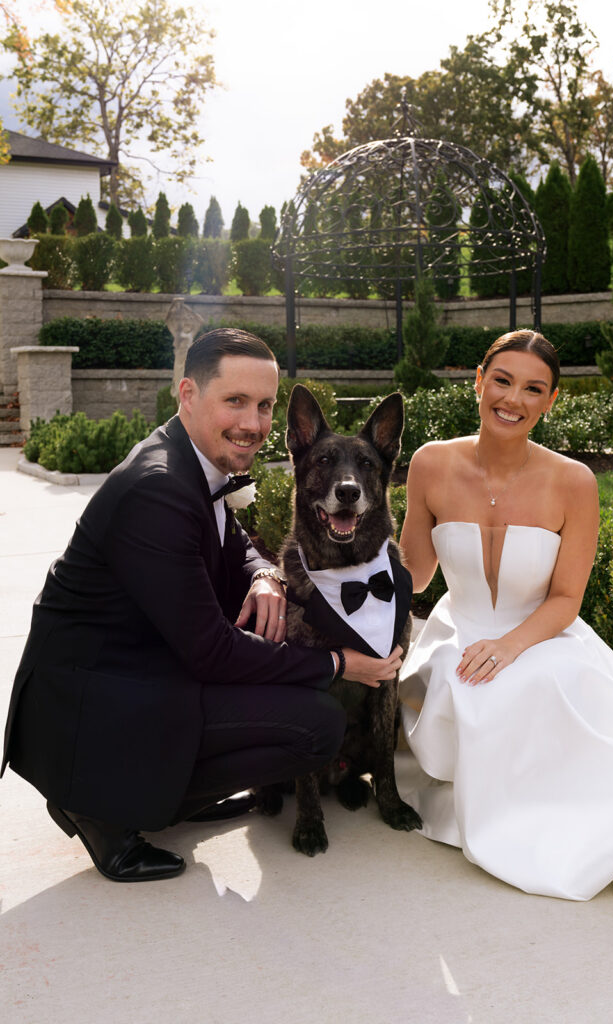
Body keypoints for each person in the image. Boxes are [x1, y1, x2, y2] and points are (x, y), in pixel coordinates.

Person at [2, 328, 403, 883]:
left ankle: (172, 784)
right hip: (92, 709)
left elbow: (228, 535)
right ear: (188, 394)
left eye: (263, 406)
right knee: (315, 727)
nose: (253, 423)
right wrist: (338, 665)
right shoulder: (158, 488)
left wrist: (263, 573)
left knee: (285, 692)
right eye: (234, 401)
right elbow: (213, 654)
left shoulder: (189, 461)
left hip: (140, 673)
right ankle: (105, 810)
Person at [397, 329, 613, 912]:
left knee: (535, 679)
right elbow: (415, 577)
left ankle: (549, 815)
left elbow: (566, 598)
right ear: (478, 382)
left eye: (534, 389)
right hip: (460, 627)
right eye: (501, 381)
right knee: (459, 673)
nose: (514, 399)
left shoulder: (574, 481)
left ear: (551, 401)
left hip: (541, 631)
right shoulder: (430, 464)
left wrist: (509, 645)